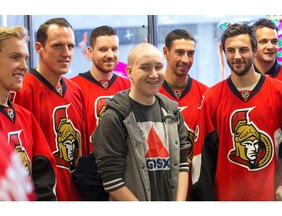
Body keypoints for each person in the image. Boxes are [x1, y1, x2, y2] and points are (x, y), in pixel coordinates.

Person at [191, 23, 282, 201]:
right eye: (230, 50)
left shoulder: (279, 92)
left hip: (270, 199)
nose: (237, 56)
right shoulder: (212, 98)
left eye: (243, 49)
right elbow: (202, 160)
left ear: (255, 51)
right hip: (227, 199)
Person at [92, 43, 190, 201]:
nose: (154, 74)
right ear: (129, 72)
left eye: (158, 67)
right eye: (145, 68)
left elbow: (183, 164)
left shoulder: (173, 112)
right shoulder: (114, 117)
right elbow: (112, 180)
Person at [13, 18, 89, 201]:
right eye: (57, 46)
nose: (66, 53)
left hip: (79, 194)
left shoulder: (76, 90)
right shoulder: (23, 91)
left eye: (70, 46)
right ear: (39, 48)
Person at [0, 26, 56, 201]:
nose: (24, 67)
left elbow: (43, 176)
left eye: (26, 59)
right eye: (15, 57)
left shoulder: (25, 117)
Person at [70, 25, 130, 200]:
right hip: (90, 174)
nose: (110, 55)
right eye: (103, 49)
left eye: (114, 49)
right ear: (89, 51)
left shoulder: (128, 87)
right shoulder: (74, 87)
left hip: (123, 170)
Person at [159, 29, 208, 200]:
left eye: (191, 53)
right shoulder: (149, 92)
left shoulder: (206, 94)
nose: (185, 59)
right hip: (159, 184)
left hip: (196, 188)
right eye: (179, 52)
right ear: (166, 52)